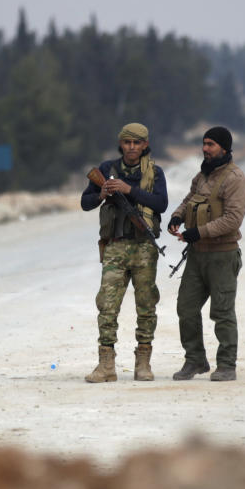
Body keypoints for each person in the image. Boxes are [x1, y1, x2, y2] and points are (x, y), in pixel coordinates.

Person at [81, 123, 168, 382]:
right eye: (127, 142)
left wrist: (130, 191)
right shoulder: (107, 169)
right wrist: (102, 193)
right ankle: (106, 364)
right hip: (116, 246)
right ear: (121, 144)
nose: (131, 147)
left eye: (136, 143)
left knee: (146, 305)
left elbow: (161, 203)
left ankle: (143, 362)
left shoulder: (155, 172)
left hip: (143, 247)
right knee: (107, 305)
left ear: (144, 145)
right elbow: (85, 203)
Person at [168, 126, 245, 382]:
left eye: (211, 144)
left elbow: (233, 220)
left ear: (224, 148)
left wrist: (198, 232)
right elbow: (190, 198)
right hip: (197, 255)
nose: (205, 149)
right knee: (186, 308)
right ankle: (195, 360)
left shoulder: (235, 179)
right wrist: (178, 216)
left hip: (223, 256)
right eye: (204, 143)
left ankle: (226, 365)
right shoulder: (202, 176)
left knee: (222, 312)